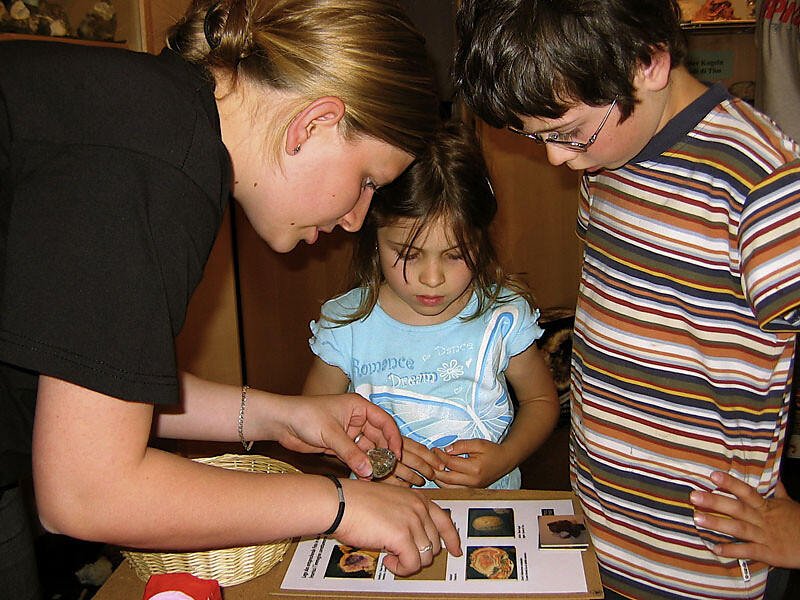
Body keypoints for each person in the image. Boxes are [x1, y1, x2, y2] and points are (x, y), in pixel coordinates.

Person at [0, 0, 463, 592]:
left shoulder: (158, 121)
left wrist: (281, 415)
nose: (355, 220)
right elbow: (85, 494)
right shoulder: (152, 163)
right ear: (314, 124)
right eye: (368, 180)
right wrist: (341, 505)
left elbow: (97, 387)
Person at [452, 1, 800, 599]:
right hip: (601, 537)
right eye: (536, 137)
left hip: (702, 567)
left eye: (565, 133)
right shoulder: (609, 156)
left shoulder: (761, 184)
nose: (557, 159)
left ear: (650, 62)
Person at [303, 122, 560, 490]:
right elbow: (312, 427)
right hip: (384, 514)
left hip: (488, 509)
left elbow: (539, 400)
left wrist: (506, 457)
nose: (433, 278)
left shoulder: (503, 316)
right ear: (374, 237)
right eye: (408, 254)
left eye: (456, 255)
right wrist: (374, 453)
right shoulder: (346, 325)